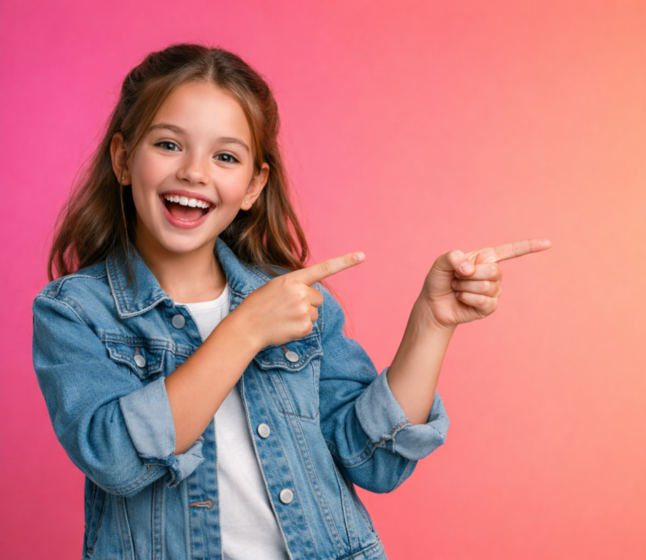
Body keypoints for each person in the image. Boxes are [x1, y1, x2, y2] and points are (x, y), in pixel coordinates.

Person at [32, 43, 550, 560]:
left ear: (254, 185)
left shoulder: (298, 302)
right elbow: (116, 458)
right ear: (123, 159)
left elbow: (375, 462)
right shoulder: (74, 311)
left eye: (226, 157)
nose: (194, 172)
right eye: (169, 145)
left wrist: (432, 323)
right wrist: (244, 331)